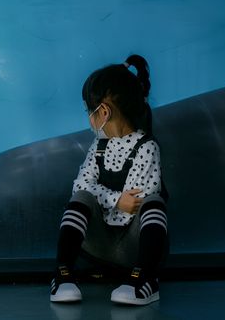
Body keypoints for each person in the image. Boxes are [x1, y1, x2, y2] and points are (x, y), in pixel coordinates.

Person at [50, 54, 169, 306]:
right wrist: (116, 199)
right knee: (81, 198)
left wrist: (103, 197)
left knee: (153, 203)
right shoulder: (99, 146)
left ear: (102, 111)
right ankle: (62, 274)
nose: (88, 117)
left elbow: (135, 203)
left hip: (133, 246)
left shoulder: (146, 147)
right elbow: (81, 187)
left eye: (88, 110)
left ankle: (144, 278)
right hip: (101, 242)